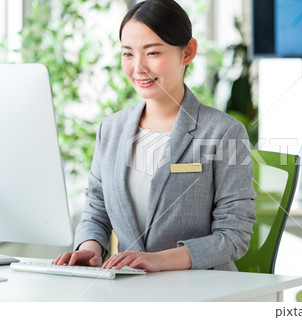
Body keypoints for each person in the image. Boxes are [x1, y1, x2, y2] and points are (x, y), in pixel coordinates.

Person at [53, 0, 256, 272]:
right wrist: (89, 248)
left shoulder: (224, 132)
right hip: (129, 289)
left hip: (202, 291)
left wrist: (159, 261)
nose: (138, 68)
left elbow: (233, 237)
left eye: (152, 53)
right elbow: (96, 209)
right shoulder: (111, 129)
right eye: (128, 54)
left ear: (188, 52)